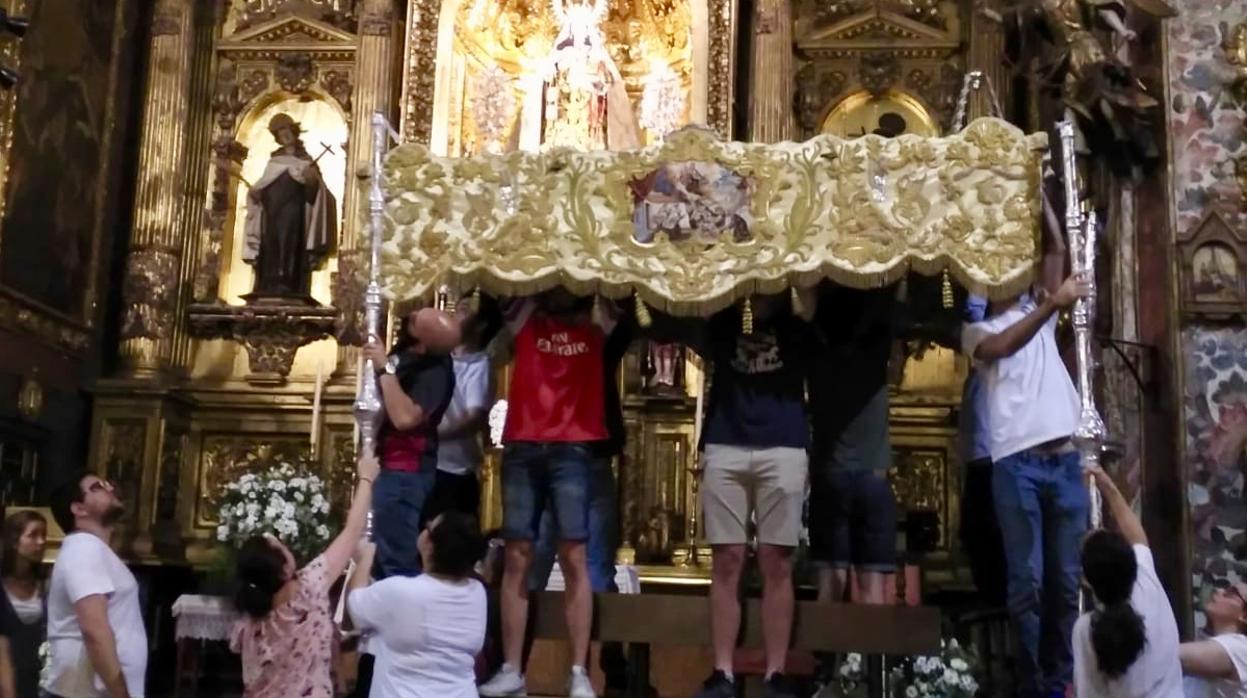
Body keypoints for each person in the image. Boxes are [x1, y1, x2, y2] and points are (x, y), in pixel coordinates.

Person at [960, 202, 1092, 697]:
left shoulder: (1036, 308)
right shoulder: (979, 331)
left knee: (1065, 581)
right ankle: (1035, 683)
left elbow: (1056, 247)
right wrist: (1051, 304)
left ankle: (1059, 682)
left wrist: (1034, 195)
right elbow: (1004, 348)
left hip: (1062, 460)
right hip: (1016, 464)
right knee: (1028, 582)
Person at [478, 290, 618, 698]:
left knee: (574, 554)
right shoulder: (525, 316)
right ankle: (511, 668)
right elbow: (506, 276)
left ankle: (578, 671)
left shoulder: (597, 318)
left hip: (572, 447)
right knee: (517, 555)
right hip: (524, 444)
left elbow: (617, 278)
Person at [694, 292, 815, 698]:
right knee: (727, 559)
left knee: (776, 560)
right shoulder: (724, 316)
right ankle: (722, 672)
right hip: (727, 440)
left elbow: (813, 305)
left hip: (782, 443)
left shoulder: (796, 315)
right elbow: (696, 301)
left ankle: (775, 672)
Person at [528, 308, 635, 693]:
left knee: (594, 564)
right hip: (547, 451)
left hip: (590, 454)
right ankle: (516, 663)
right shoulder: (541, 327)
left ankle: (603, 662)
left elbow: (628, 322)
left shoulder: (599, 331)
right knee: (536, 557)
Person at [229, 453, 380, 698]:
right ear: (285, 569)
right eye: (280, 546)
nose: (285, 543)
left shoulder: (250, 619)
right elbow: (353, 531)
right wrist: (366, 477)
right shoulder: (308, 589)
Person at [808, 283, 897, 606]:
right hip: (872, 475)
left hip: (830, 474)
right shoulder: (875, 352)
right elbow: (887, 302)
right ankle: (868, 656)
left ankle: (827, 654)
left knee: (830, 584)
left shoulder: (816, 357)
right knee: (872, 586)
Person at [361, 306, 460, 579]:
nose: (411, 317)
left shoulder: (436, 371)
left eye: (417, 320)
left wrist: (383, 367)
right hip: (382, 464)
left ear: (423, 341)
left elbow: (404, 418)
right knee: (377, 556)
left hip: (404, 471)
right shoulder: (405, 353)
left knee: (396, 560)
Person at [348, 511, 487, 698]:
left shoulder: (401, 591)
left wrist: (365, 556)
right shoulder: (477, 593)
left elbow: (355, 605)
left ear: (430, 545)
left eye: (429, 527)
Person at [1072, 466, 1182, 697]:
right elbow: (1138, 537)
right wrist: (1108, 486)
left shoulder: (1086, 629)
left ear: (1086, 580)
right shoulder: (1147, 586)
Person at [44, 475, 146, 698]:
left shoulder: (93, 549)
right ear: (79, 508)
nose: (110, 487)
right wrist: (121, 694)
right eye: (97, 487)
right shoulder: (83, 548)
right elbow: (94, 630)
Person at [422, 300, 503, 525]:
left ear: (480, 325)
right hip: (424, 462)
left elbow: (474, 418)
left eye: (464, 311)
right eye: (456, 309)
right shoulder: (437, 356)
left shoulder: (479, 365)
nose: (455, 315)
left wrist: (434, 435)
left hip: (453, 470)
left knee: (445, 540)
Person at [957, 296, 1007, 606]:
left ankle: (998, 599)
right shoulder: (978, 340)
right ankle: (992, 597)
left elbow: (975, 315)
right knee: (976, 532)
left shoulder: (999, 337)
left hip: (993, 456)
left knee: (987, 531)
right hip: (980, 457)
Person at [0, 510, 48, 698]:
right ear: (14, 541)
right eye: (33, 535)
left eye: (43, 535)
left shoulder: (46, 585)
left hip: (38, 679)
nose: (41, 542)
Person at [1177, 582, 1247, 696]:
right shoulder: (1207, 640)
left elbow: (1170, 656)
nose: (1219, 590)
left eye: (1231, 593)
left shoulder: (1241, 649)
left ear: (1244, 616)